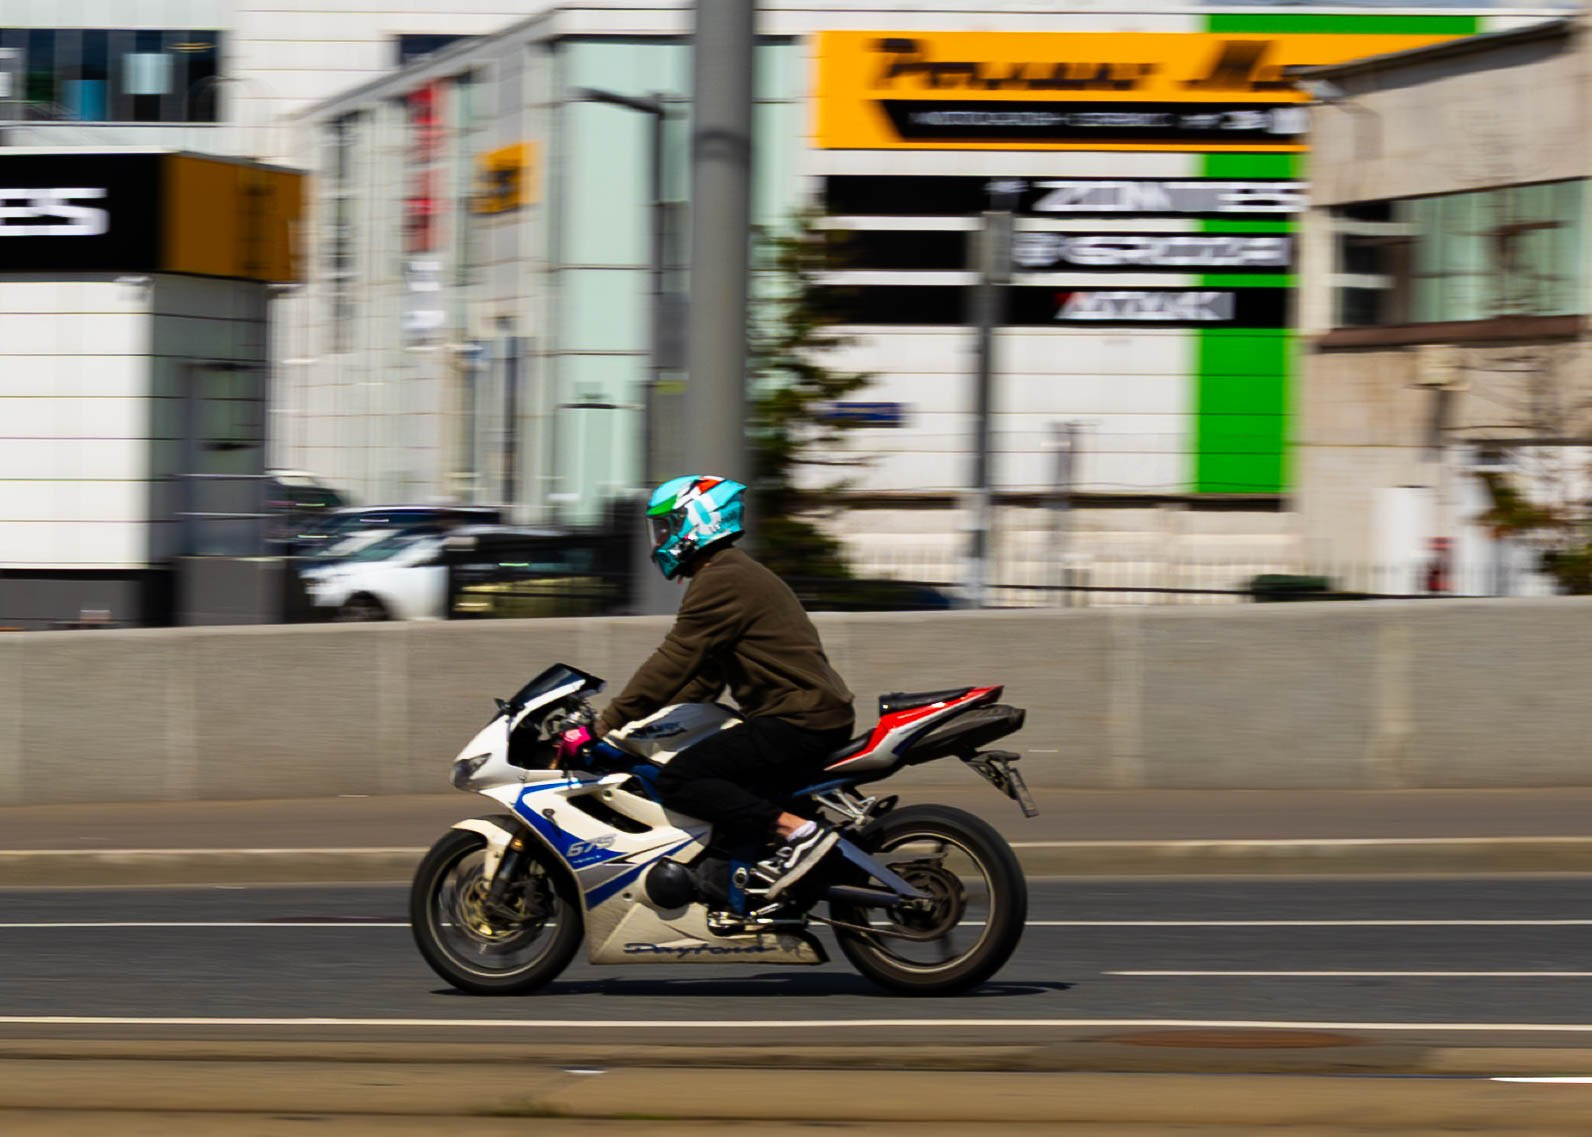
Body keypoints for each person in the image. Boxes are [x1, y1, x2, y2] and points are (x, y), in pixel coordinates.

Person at [593, 474, 856, 901]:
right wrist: (643, 725)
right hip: (805, 715)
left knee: (681, 778)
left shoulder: (721, 579)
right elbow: (704, 677)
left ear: (697, 521)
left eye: (667, 526)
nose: (661, 538)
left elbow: (675, 658)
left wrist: (608, 722)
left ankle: (799, 832)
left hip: (797, 720)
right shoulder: (731, 572)